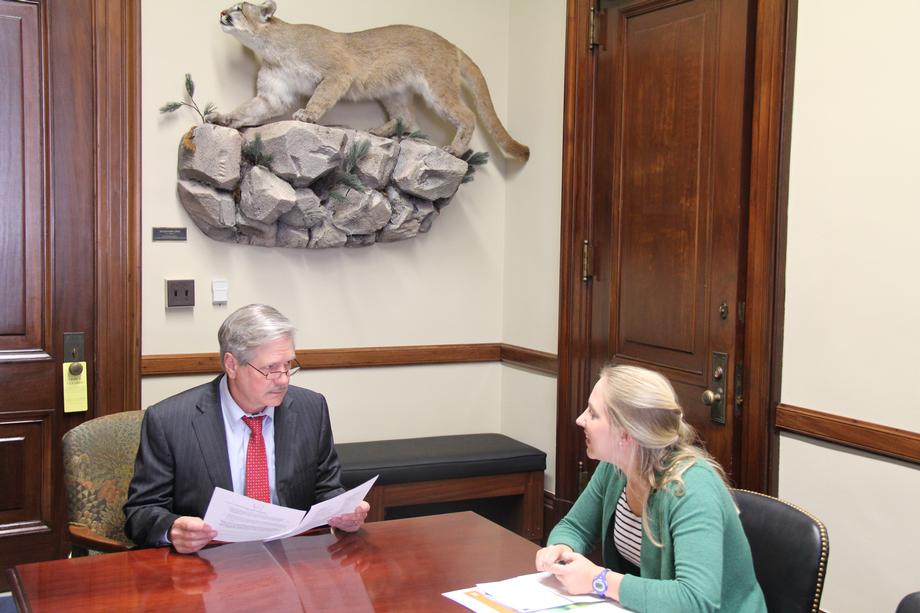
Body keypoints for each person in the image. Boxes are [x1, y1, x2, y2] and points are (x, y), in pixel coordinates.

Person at [124, 304, 370, 553]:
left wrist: (344, 512)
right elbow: (141, 512)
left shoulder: (311, 408)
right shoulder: (169, 421)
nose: (283, 379)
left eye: (288, 364)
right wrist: (173, 529)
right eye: (270, 368)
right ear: (231, 365)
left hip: (292, 557)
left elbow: (326, 488)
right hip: (208, 561)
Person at [535, 364, 766, 612]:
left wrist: (598, 580)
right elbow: (575, 527)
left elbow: (696, 600)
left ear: (626, 434)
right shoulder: (615, 467)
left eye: (593, 413)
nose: (580, 420)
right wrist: (561, 549)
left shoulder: (691, 489)